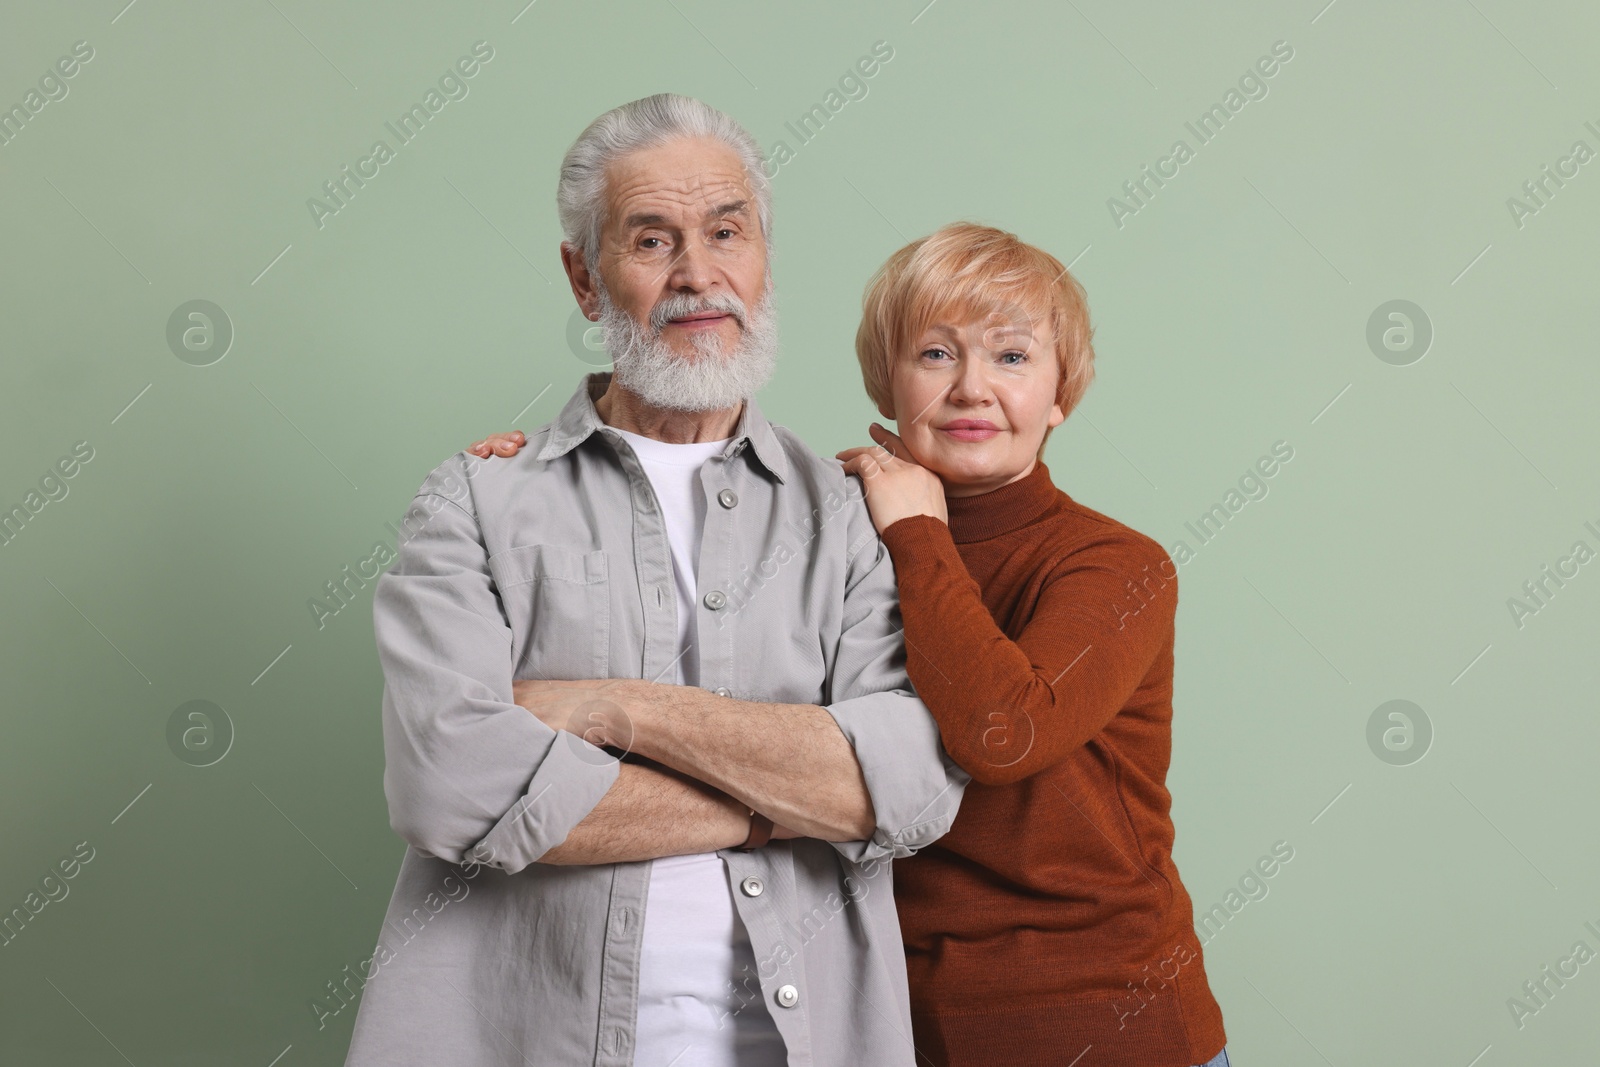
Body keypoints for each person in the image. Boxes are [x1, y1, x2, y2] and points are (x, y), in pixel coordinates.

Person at [475, 223, 1229, 1066]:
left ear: (1062, 392)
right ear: (887, 382)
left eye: (1012, 358)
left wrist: (918, 533)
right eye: (936, 355)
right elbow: (687, 596)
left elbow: (1001, 733)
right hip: (889, 1022)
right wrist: (539, 475)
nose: (973, 388)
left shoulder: (1114, 564)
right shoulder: (831, 523)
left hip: (1101, 1023)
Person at [346, 94, 967, 1067]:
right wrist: (782, 806)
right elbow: (448, 784)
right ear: (584, 278)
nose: (698, 274)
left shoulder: (852, 512)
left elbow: (910, 784)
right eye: (650, 240)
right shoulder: (477, 498)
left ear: (765, 255)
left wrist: (610, 709)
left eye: (727, 231)